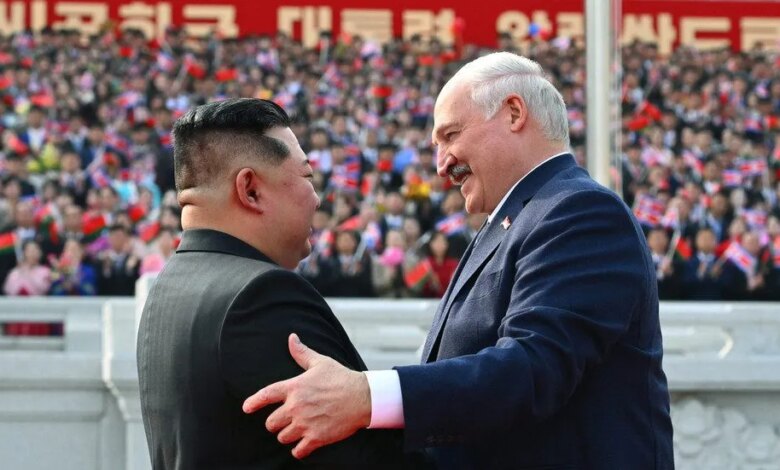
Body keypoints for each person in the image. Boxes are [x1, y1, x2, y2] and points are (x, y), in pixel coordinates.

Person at [243, 53, 674, 469]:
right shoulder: (513, 218)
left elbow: (533, 368)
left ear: (513, 113)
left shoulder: (579, 212)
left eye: (450, 135)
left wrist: (366, 396)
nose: (440, 165)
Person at [136, 99, 422, 469]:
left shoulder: (169, 285)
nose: (317, 200)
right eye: (307, 177)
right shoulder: (261, 296)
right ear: (250, 190)